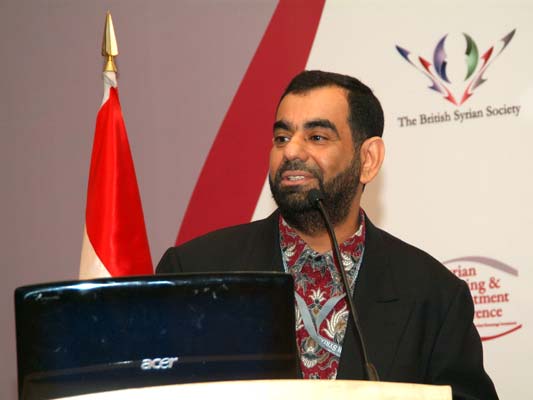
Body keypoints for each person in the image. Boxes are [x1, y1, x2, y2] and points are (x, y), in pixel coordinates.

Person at [157, 70, 498, 400]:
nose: (291, 152)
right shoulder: (192, 271)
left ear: (368, 159)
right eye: (282, 138)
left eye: (317, 137)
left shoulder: (434, 296)